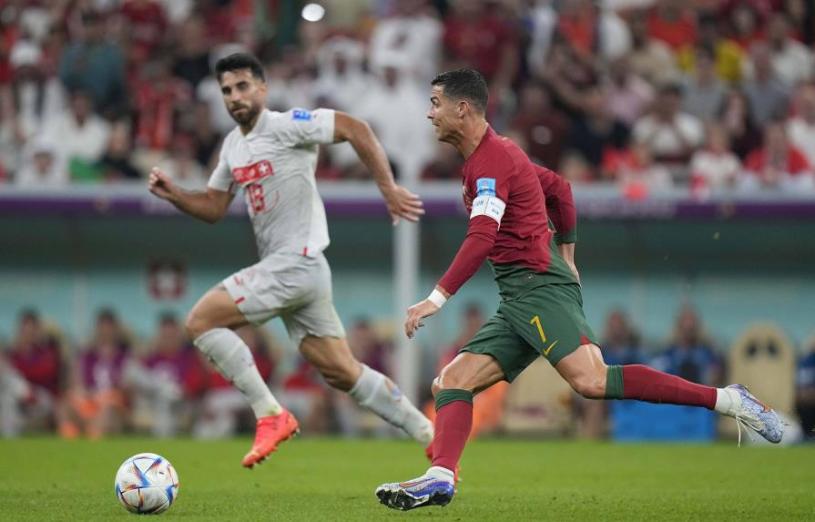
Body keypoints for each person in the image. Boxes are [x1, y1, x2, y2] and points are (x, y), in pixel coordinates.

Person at [375, 68, 784, 511]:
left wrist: (436, 298)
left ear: (462, 109)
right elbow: (560, 188)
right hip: (519, 296)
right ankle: (441, 478)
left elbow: (482, 237)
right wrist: (567, 251)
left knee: (592, 380)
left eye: (435, 103)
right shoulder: (497, 156)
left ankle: (730, 400)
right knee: (452, 382)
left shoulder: (491, 162)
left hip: (538, 288)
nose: (429, 113)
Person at [147, 52, 433, 468]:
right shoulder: (233, 146)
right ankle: (429, 433)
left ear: (262, 88)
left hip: (294, 262)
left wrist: (388, 189)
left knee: (200, 321)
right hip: (301, 272)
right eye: (226, 90)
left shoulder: (287, 125)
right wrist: (175, 194)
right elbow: (213, 206)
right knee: (342, 372)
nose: (235, 96)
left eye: (243, 86)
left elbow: (355, 128)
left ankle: (270, 413)